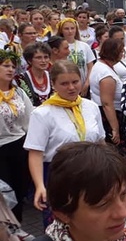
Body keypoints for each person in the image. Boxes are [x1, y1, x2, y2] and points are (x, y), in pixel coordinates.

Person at [25, 60, 105, 227]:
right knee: (62, 226)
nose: (71, 88)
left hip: (92, 172)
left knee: (93, 222)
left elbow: (100, 141)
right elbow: (36, 153)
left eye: (75, 82)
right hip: (60, 175)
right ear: (53, 84)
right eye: (64, 83)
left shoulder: (90, 107)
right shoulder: (42, 114)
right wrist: (40, 185)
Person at [0, 50, 32, 224]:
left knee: (19, 191)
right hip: (1, 148)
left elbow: (29, 117)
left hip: (19, 146)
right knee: (5, 194)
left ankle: (17, 227)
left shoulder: (18, 92)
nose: (10, 69)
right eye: (5, 66)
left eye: (13, 66)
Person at [89, 38, 126, 151]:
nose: (123, 54)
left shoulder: (101, 66)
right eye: (121, 52)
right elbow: (107, 103)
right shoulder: (106, 75)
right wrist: (115, 128)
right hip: (109, 117)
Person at [57, 17, 95, 96]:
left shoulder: (84, 46)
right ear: (61, 31)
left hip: (84, 85)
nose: (70, 31)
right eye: (66, 29)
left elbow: (90, 66)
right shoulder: (58, 47)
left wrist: (87, 83)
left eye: (72, 28)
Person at [16, 42, 52, 107]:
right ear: (29, 60)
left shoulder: (54, 77)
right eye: (38, 58)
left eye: (46, 57)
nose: (43, 61)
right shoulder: (19, 79)